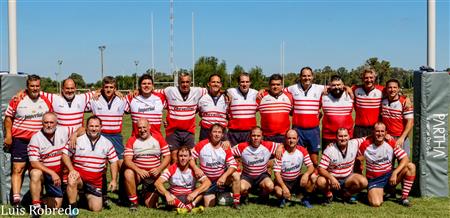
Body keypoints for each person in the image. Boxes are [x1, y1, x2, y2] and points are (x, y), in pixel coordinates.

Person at [3, 74, 53, 207]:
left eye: (37, 86)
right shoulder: (17, 99)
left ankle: (38, 199)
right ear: (27, 86)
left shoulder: (46, 99)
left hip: (39, 142)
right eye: (32, 86)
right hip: (20, 140)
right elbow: (8, 118)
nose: (35, 88)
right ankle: (16, 202)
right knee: (17, 169)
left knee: (38, 171)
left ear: (40, 86)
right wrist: (8, 135)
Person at [62, 116, 119, 214]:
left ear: (101, 127)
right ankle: (73, 209)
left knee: (96, 209)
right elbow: (65, 155)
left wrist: (114, 180)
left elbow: (113, 161)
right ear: (86, 127)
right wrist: (71, 170)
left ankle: (83, 196)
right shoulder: (78, 140)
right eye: (91, 126)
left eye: (97, 126)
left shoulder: (107, 143)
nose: (94, 128)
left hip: (95, 183)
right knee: (72, 179)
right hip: (79, 177)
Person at [359, 122, 416, 207]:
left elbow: (405, 159)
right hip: (375, 180)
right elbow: (357, 158)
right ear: (373, 132)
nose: (380, 134)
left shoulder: (390, 142)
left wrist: (395, 172)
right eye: (377, 131)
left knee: (411, 166)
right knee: (376, 203)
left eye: (382, 131)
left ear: (386, 133)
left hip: (389, 177)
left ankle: (404, 198)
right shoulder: (365, 145)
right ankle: (380, 191)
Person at [123, 118, 171, 211]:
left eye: (144, 127)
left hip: (154, 175)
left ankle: (145, 193)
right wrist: (138, 170)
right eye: (139, 128)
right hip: (139, 175)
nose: (142, 130)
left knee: (150, 205)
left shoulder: (158, 138)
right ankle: (134, 202)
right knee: (128, 173)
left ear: (149, 127)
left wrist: (159, 169)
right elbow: (127, 160)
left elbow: (167, 156)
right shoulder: (132, 140)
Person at [27, 112, 68, 216]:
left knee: (55, 208)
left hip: (59, 174)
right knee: (35, 173)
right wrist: (52, 173)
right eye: (46, 122)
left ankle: (44, 198)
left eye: (51, 122)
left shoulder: (64, 131)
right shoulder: (35, 138)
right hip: (44, 173)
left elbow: (81, 129)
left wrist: (75, 135)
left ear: (56, 123)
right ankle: (36, 206)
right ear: (42, 123)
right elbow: (34, 162)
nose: (49, 125)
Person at [191, 124, 240, 209]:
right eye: (214, 132)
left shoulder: (225, 147)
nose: (217, 134)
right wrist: (196, 168)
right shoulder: (202, 144)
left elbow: (233, 165)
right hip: (207, 180)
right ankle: (215, 194)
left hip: (221, 179)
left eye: (219, 132)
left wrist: (224, 176)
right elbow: (190, 158)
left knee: (235, 175)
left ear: (222, 135)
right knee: (209, 205)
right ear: (210, 133)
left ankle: (236, 202)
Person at [162, 72, 207, 163]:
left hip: (189, 131)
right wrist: (138, 90)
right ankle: (175, 176)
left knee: (191, 158)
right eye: (182, 82)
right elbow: (154, 92)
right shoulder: (170, 90)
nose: (185, 84)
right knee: (174, 158)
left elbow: (213, 90)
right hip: (173, 131)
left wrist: (225, 93)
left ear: (191, 82)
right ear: (178, 82)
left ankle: (190, 177)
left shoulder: (198, 91)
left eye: (187, 82)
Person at [285, 67, 325, 167]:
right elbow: (277, 90)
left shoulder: (319, 88)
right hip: (298, 130)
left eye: (309, 76)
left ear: (312, 77)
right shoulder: (292, 88)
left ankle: (314, 180)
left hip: (313, 130)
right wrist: (265, 89)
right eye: (304, 76)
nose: (306, 78)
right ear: (300, 77)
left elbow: (336, 86)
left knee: (314, 161)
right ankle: (297, 181)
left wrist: (348, 88)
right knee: (296, 160)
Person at [316, 128, 368, 204]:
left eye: (345, 136)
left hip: (347, 179)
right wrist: (332, 178)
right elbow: (321, 169)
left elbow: (369, 137)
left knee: (364, 182)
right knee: (320, 181)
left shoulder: (354, 143)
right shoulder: (330, 150)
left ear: (349, 136)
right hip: (332, 180)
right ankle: (329, 195)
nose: (343, 138)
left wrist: (386, 136)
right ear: (336, 137)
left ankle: (346, 195)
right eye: (340, 136)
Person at [155, 146, 211, 214]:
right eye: (181, 156)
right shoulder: (172, 168)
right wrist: (167, 194)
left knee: (204, 189)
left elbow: (208, 182)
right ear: (177, 157)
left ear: (190, 157)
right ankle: (189, 208)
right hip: (175, 197)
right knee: (160, 190)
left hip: (190, 197)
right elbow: (157, 183)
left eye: (185, 156)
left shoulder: (194, 169)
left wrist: (195, 192)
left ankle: (184, 207)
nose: (183, 158)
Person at [232, 126, 280, 203]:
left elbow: (284, 145)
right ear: (250, 136)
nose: (256, 138)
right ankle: (245, 196)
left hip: (262, 176)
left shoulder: (268, 145)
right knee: (241, 188)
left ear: (262, 137)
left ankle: (262, 197)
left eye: (258, 136)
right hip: (247, 176)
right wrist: (235, 163)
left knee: (270, 186)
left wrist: (280, 147)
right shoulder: (242, 146)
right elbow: (228, 153)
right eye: (253, 135)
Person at [273, 129, 315, 208]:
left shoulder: (302, 150)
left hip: (296, 180)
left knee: (313, 177)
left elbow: (311, 166)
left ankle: (305, 199)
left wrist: (306, 174)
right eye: (289, 138)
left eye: (294, 138)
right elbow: (276, 173)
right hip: (284, 180)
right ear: (285, 139)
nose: (291, 141)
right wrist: (283, 187)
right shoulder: (280, 151)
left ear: (298, 139)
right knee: (278, 191)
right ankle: (283, 199)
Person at [381, 79, 414, 156]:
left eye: (395, 87)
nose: (392, 90)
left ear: (398, 89)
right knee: (387, 164)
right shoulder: (383, 101)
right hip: (387, 137)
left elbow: (410, 122)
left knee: (404, 165)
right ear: (386, 89)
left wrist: (402, 138)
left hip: (401, 137)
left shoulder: (404, 102)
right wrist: (385, 133)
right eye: (390, 87)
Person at [257, 74, 293, 143]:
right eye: (273, 84)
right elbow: (251, 111)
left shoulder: (289, 97)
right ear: (269, 85)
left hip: (284, 136)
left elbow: (293, 113)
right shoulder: (261, 96)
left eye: (278, 84)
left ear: (282, 85)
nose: (275, 87)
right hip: (266, 136)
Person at [321, 75, 354, 147]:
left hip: (347, 135)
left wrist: (348, 88)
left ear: (343, 85)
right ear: (329, 86)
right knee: (328, 158)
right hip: (328, 136)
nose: (337, 87)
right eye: (334, 85)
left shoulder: (350, 94)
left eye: (339, 84)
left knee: (348, 157)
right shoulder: (323, 95)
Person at [226, 72, 258, 145]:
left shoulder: (255, 93)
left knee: (248, 155)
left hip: (250, 132)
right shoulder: (231, 92)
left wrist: (263, 89)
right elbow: (219, 91)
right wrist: (225, 92)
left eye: (247, 82)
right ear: (238, 83)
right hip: (233, 132)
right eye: (242, 82)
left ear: (250, 83)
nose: (245, 84)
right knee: (233, 155)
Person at [352, 68, 384, 138]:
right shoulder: (355, 89)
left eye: (371, 77)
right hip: (359, 128)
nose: (369, 80)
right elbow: (344, 88)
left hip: (375, 128)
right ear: (362, 79)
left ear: (375, 78)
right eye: (366, 78)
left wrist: (406, 98)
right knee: (358, 148)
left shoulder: (382, 90)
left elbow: (394, 93)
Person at [197, 74, 228, 141]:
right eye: (213, 82)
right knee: (204, 151)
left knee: (223, 151)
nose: (215, 84)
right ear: (209, 84)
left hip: (221, 131)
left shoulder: (226, 98)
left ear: (221, 84)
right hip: (205, 132)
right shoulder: (202, 97)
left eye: (218, 82)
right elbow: (198, 113)